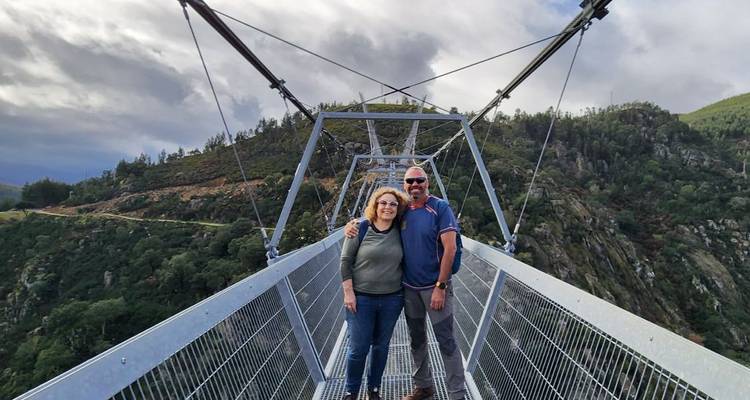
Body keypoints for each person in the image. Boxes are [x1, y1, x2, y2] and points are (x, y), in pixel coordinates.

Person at [346, 166, 466, 400]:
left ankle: (457, 394)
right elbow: (379, 216)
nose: (415, 185)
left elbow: (450, 248)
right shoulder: (403, 210)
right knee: (417, 339)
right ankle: (424, 387)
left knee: (446, 340)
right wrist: (352, 225)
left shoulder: (439, 208)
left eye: (419, 180)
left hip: (435, 287)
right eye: (410, 181)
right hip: (409, 289)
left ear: (427, 182)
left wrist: (441, 287)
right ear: (405, 185)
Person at [340, 187, 409, 400]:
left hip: (392, 298)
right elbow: (345, 262)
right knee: (359, 348)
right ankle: (352, 391)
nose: (388, 207)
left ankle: (374, 390)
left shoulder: (403, 229)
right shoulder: (359, 228)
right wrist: (349, 293)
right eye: (383, 203)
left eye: (393, 204)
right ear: (375, 206)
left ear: (398, 210)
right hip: (361, 298)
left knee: (381, 346)